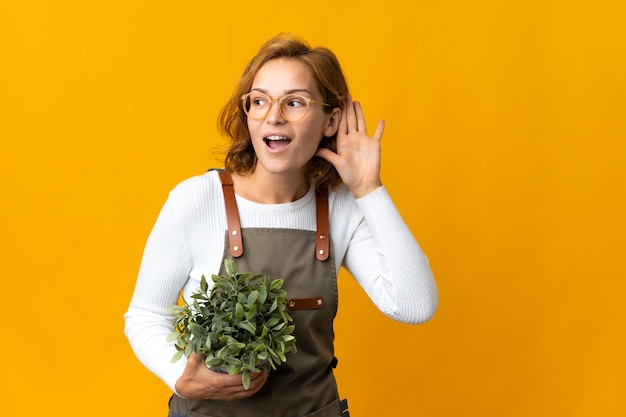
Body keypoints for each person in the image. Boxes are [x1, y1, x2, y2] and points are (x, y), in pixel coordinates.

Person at [124, 33, 438, 417]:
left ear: (331, 120)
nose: (273, 116)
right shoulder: (196, 200)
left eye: (294, 102)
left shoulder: (340, 206)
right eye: (259, 101)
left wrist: (369, 189)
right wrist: (181, 378)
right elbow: (146, 314)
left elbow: (414, 305)